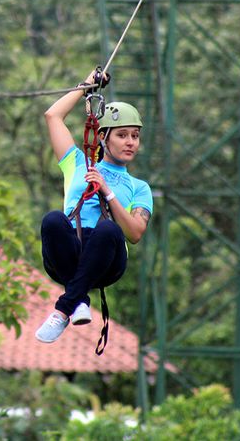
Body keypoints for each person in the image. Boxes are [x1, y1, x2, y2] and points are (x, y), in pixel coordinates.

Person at [35, 71, 153, 344]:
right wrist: (87, 85)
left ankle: (63, 308)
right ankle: (77, 301)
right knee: (53, 220)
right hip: (69, 251)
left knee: (108, 229)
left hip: (107, 258)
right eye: (122, 135)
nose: (130, 142)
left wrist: (107, 192)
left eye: (135, 136)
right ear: (103, 138)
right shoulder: (77, 163)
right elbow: (53, 116)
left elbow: (135, 233)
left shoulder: (139, 187)